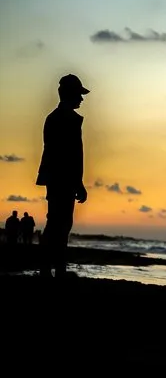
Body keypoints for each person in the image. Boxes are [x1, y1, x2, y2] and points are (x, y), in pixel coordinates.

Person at [36, 74, 90, 278]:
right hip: (63, 178)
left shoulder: (55, 118)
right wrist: (78, 182)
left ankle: (52, 268)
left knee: (57, 223)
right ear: (70, 94)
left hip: (57, 177)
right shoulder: (66, 120)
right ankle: (54, 269)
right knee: (60, 224)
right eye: (79, 94)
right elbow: (69, 155)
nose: (82, 99)